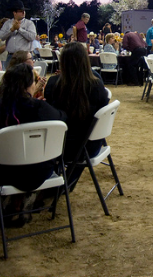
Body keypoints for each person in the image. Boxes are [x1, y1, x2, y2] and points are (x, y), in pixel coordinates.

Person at [0, 63, 64, 194]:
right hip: (39, 171)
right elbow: (62, 118)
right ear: (29, 85)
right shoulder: (39, 108)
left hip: (4, 172)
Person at [44, 42, 109, 187]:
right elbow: (103, 106)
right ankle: (66, 184)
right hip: (90, 144)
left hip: (60, 147)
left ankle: (56, 186)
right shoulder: (96, 84)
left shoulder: (54, 84)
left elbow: (50, 115)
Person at [0, 1, 37, 68]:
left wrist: (19, 29)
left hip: (25, 56)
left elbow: (32, 37)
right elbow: (1, 37)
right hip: (11, 56)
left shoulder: (29, 23)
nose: (23, 12)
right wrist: (11, 30)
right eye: (20, 11)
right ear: (14, 13)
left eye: (24, 11)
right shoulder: (7, 23)